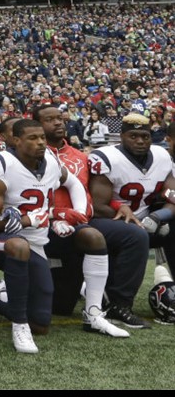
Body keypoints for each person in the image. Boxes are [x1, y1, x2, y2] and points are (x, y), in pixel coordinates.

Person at [0, 119, 123, 355]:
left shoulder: (51, 162)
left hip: (38, 243)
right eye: (33, 138)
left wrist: (71, 215)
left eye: (42, 137)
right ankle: (19, 326)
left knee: (41, 323)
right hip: (2, 241)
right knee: (19, 246)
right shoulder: (0, 162)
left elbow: (73, 183)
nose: (41, 143)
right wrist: (27, 220)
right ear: (15, 140)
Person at [33, 104, 140, 333]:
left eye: (60, 118)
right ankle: (5, 290)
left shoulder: (81, 156)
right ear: (36, 126)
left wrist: (119, 205)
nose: (58, 123)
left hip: (83, 221)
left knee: (133, 234)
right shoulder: (27, 156)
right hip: (46, 225)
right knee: (60, 308)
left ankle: (118, 305)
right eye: (49, 120)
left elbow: (94, 190)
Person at [88, 112, 173, 327]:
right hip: (107, 220)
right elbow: (97, 206)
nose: (140, 141)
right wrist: (134, 220)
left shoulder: (162, 156)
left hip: (146, 220)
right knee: (136, 235)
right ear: (122, 136)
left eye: (144, 136)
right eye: (133, 136)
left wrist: (159, 216)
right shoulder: (106, 157)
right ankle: (119, 304)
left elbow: (172, 194)